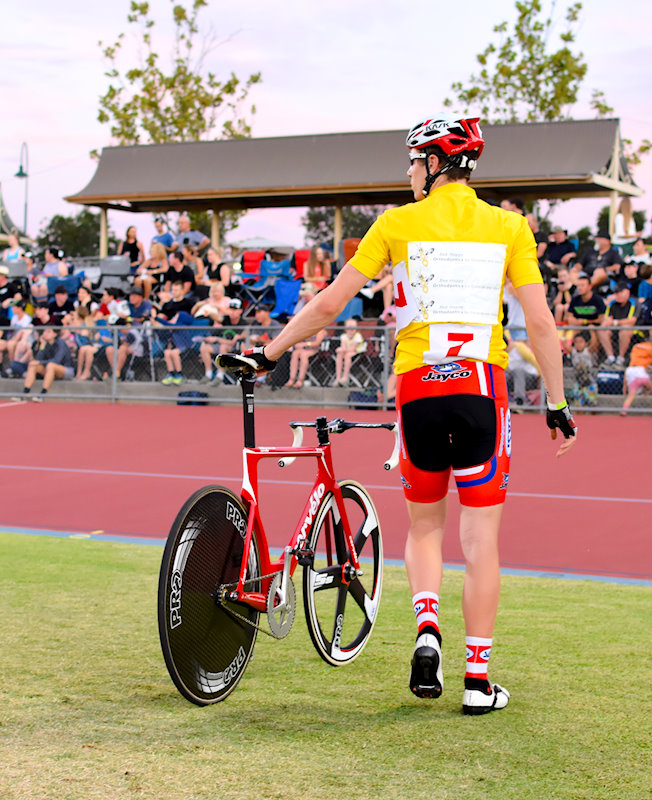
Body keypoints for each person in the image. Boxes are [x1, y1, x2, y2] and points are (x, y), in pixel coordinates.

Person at [234, 114, 575, 716]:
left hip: (418, 387)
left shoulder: (396, 223)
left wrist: (270, 353)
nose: (410, 172)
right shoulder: (509, 227)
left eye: (415, 161)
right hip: (481, 387)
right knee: (481, 541)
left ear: (437, 163)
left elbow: (333, 303)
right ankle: (476, 679)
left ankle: (425, 632)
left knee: (424, 527)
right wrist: (557, 401)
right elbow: (542, 323)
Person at [21, 326, 74, 399]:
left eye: (48, 332)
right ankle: (25, 392)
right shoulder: (46, 344)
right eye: (45, 331)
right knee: (33, 365)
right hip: (50, 370)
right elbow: (38, 359)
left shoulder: (61, 343)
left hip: (66, 370)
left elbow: (56, 361)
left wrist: (39, 362)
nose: (45, 334)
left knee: (51, 365)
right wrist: (42, 345)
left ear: (55, 334)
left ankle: (42, 394)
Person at [620, 340, 652, 414]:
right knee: (650, 386)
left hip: (634, 379)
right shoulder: (641, 366)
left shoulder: (629, 369)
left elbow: (625, 381)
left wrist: (624, 391)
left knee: (631, 396)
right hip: (643, 377)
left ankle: (624, 410)